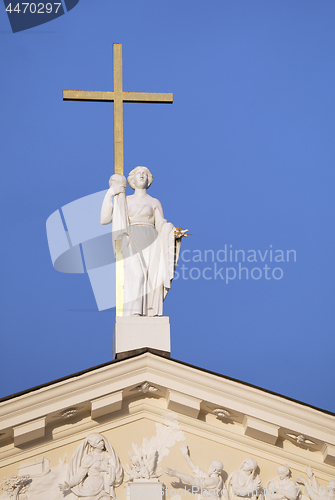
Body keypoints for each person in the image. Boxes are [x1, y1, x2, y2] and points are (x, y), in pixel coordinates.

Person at [100, 166, 182, 316]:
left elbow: (161, 223)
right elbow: (105, 219)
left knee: (151, 278)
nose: (142, 175)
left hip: (152, 242)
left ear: (149, 180)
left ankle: (148, 311)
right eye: (139, 173)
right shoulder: (124, 199)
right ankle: (134, 312)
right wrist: (110, 193)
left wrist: (172, 231)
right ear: (132, 179)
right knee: (137, 275)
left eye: (145, 173)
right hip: (131, 240)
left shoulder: (154, 202)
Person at [59, 433, 123, 499]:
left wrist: (108, 470)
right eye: (99, 442)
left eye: (102, 441)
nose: (102, 443)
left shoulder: (106, 456)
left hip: (102, 487)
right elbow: (80, 475)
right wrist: (69, 484)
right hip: (90, 488)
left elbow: (114, 467)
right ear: (94, 445)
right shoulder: (89, 458)